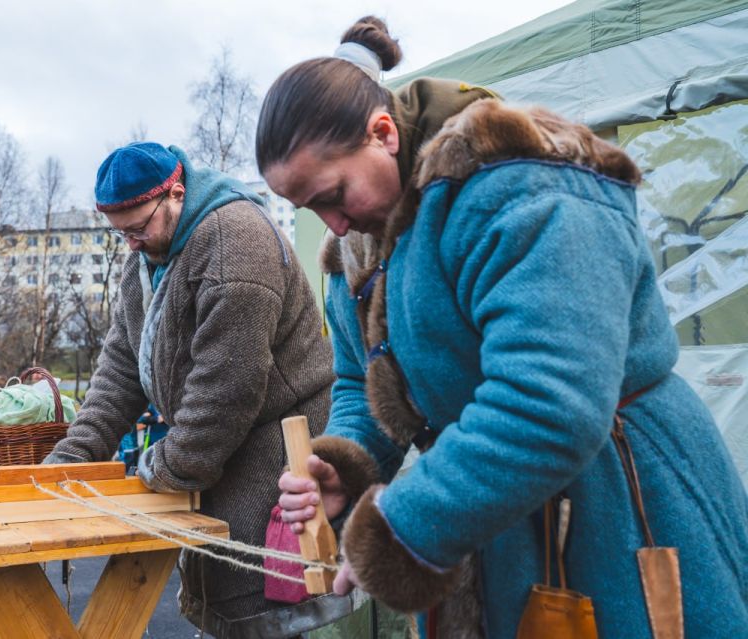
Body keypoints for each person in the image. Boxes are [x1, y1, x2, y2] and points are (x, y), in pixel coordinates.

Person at [259, 16, 748, 639]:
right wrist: (347, 466)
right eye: (310, 209)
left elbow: (552, 401)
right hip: (485, 513)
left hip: (621, 504)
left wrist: (409, 522)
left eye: (333, 194)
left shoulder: (526, 185)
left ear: (383, 133)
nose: (333, 224)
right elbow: (361, 381)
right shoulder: (355, 250)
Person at [45, 142, 340, 637]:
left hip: (275, 448)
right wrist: (73, 456)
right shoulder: (148, 257)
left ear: (176, 194)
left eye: (138, 228)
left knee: (262, 604)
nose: (131, 244)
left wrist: (166, 466)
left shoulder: (236, 242)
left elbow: (227, 388)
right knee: (224, 596)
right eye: (121, 233)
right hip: (222, 449)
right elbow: (121, 368)